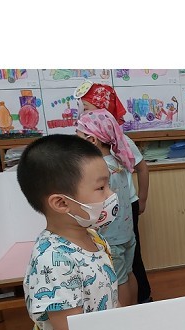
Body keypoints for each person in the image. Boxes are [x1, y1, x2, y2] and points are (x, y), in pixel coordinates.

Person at [17, 134, 119, 330]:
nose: (111, 195)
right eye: (101, 187)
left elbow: (110, 300)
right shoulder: (53, 262)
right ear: (61, 203)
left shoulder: (94, 238)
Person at [76, 81, 153, 303]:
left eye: (78, 136)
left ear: (92, 139)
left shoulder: (99, 169)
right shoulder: (118, 160)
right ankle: (135, 308)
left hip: (111, 237)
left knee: (119, 280)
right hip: (126, 233)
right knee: (129, 273)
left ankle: (125, 314)